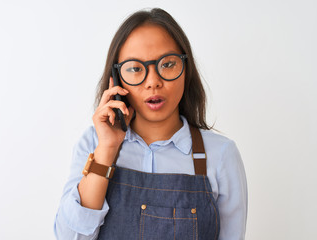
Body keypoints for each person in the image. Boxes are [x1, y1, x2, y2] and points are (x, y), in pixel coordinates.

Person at [54, 8, 247, 240]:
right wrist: (107, 150)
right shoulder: (94, 143)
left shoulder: (221, 154)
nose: (153, 82)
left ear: (186, 69)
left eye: (167, 64)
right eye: (136, 68)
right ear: (116, 78)